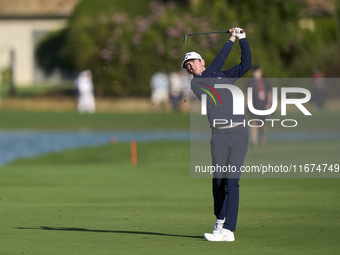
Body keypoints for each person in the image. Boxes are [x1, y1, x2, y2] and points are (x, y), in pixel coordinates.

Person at [182, 27, 251, 242]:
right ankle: (219, 221)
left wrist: (243, 39)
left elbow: (245, 65)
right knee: (218, 182)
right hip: (219, 137)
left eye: (192, 61)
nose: (190, 66)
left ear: (201, 60)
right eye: (187, 66)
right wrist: (231, 38)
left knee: (232, 182)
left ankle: (228, 230)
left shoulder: (221, 75)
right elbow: (214, 69)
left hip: (239, 134)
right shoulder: (198, 83)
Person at [246, 65, 272, 147]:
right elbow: (246, 94)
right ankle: (254, 142)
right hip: (253, 106)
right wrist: (245, 104)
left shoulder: (265, 82)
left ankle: (263, 138)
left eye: (257, 71)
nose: (256, 73)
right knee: (253, 123)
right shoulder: (250, 83)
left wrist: (269, 103)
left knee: (262, 124)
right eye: (254, 71)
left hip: (263, 106)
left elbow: (269, 93)